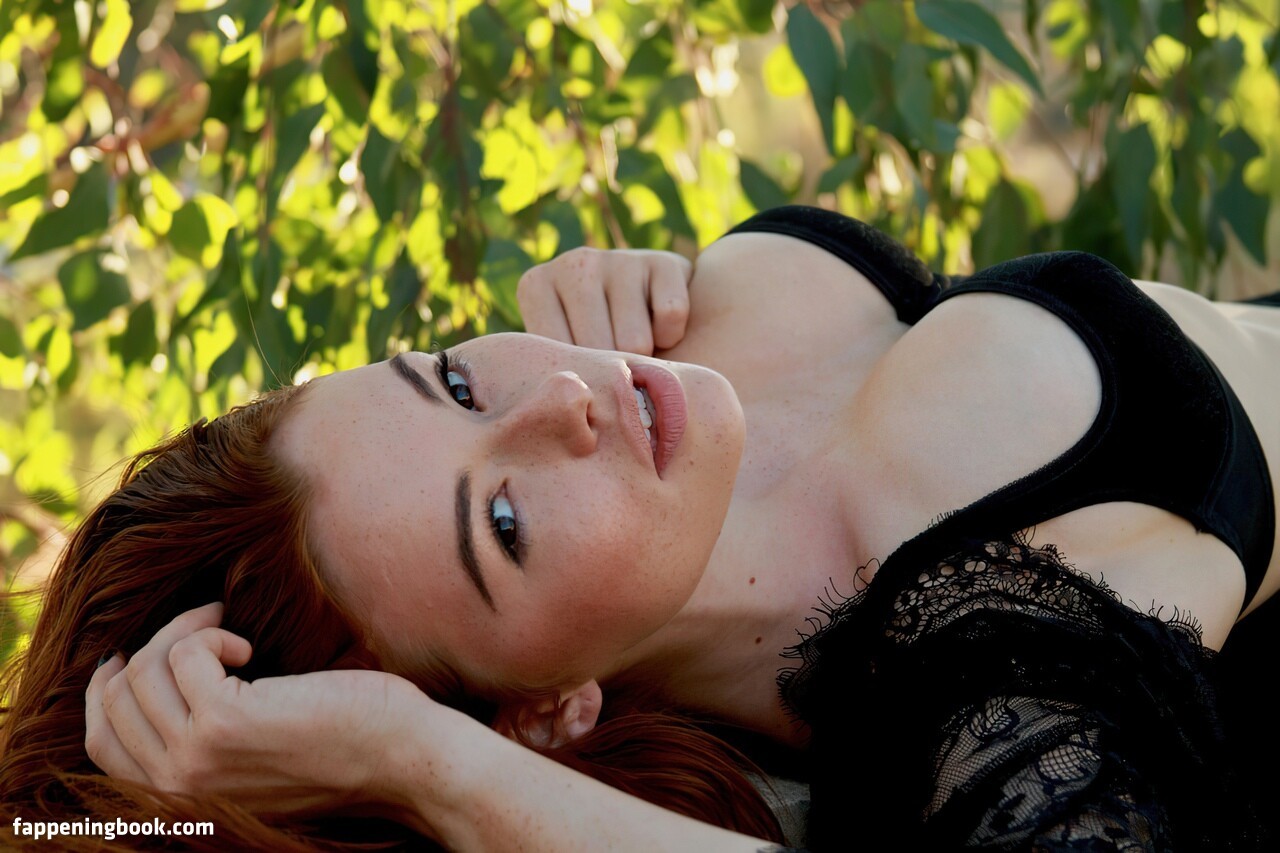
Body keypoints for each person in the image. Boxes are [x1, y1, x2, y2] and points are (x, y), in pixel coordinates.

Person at [4, 206, 1278, 850]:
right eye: (503, 520)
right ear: (542, 712)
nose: (559, 399)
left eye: (453, 380)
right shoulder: (972, 668)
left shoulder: (649, 355)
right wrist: (419, 762)